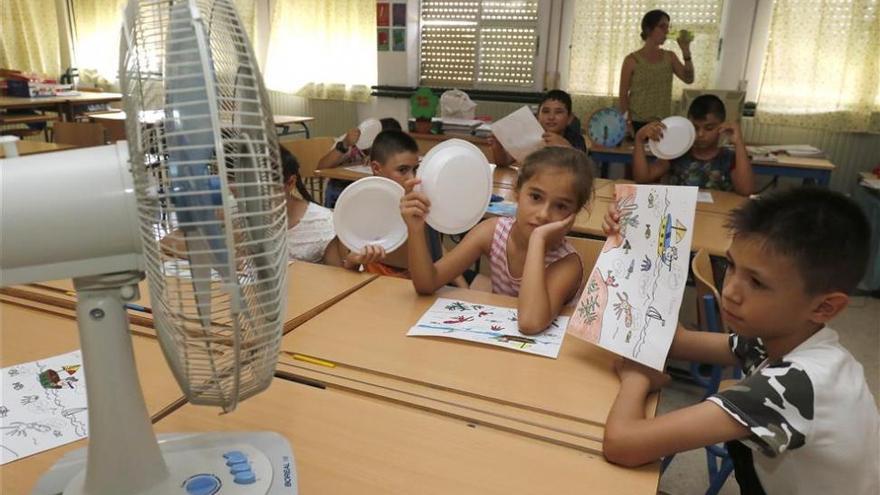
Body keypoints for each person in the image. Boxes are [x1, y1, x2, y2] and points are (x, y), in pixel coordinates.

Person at [601, 187, 879, 495]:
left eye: (757, 282)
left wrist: (635, 377)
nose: (731, 290)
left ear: (824, 307)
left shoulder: (797, 384)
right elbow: (676, 340)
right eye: (731, 265)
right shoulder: (789, 336)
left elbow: (623, 444)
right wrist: (630, 243)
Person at [402, 146, 594, 334]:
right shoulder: (493, 231)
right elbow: (427, 283)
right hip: (497, 341)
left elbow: (530, 323)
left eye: (561, 206)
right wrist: (416, 229)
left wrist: (538, 240)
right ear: (517, 192)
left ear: (573, 214)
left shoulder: (567, 263)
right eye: (535, 197)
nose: (544, 214)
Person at [360, 129, 450, 279]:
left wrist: (461, 283)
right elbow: (406, 266)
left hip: (434, 270)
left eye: (416, 169)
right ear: (376, 168)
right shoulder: (370, 211)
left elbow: (437, 252)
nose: (413, 178)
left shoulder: (419, 198)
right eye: (402, 170)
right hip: (398, 279)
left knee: (485, 286)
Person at [281, 146, 384, 269]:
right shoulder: (252, 223)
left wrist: (351, 263)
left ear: (290, 183)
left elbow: (342, 277)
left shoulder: (323, 224)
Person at [633, 94, 754, 195]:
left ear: (722, 126)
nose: (700, 134)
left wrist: (739, 142)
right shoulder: (677, 152)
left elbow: (746, 190)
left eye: (709, 128)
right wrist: (639, 139)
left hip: (715, 217)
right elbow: (642, 178)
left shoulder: (728, 158)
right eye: (695, 128)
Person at [619, 9, 694, 135]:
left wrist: (686, 51)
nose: (667, 31)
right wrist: (627, 123)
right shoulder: (632, 60)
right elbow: (623, 95)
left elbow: (689, 79)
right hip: (638, 123)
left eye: (668, 27)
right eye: (662, 26)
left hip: (663, 124)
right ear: (648, 30)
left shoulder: (670, 57)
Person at [317, 117, 402, 208]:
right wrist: (345, 144)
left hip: (367, 190)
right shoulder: (350, 144)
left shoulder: (380, 151)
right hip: (340, 192)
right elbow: (321, 167)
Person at [490, 90, 587, 167]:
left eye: (558, 112)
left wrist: (567, 148)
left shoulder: (576, 139)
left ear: (569, 118)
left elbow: (583, 169)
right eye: (545, 111)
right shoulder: (531, 135)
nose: (551, 117)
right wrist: (498, 147)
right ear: (537, 116)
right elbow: (504, 162)